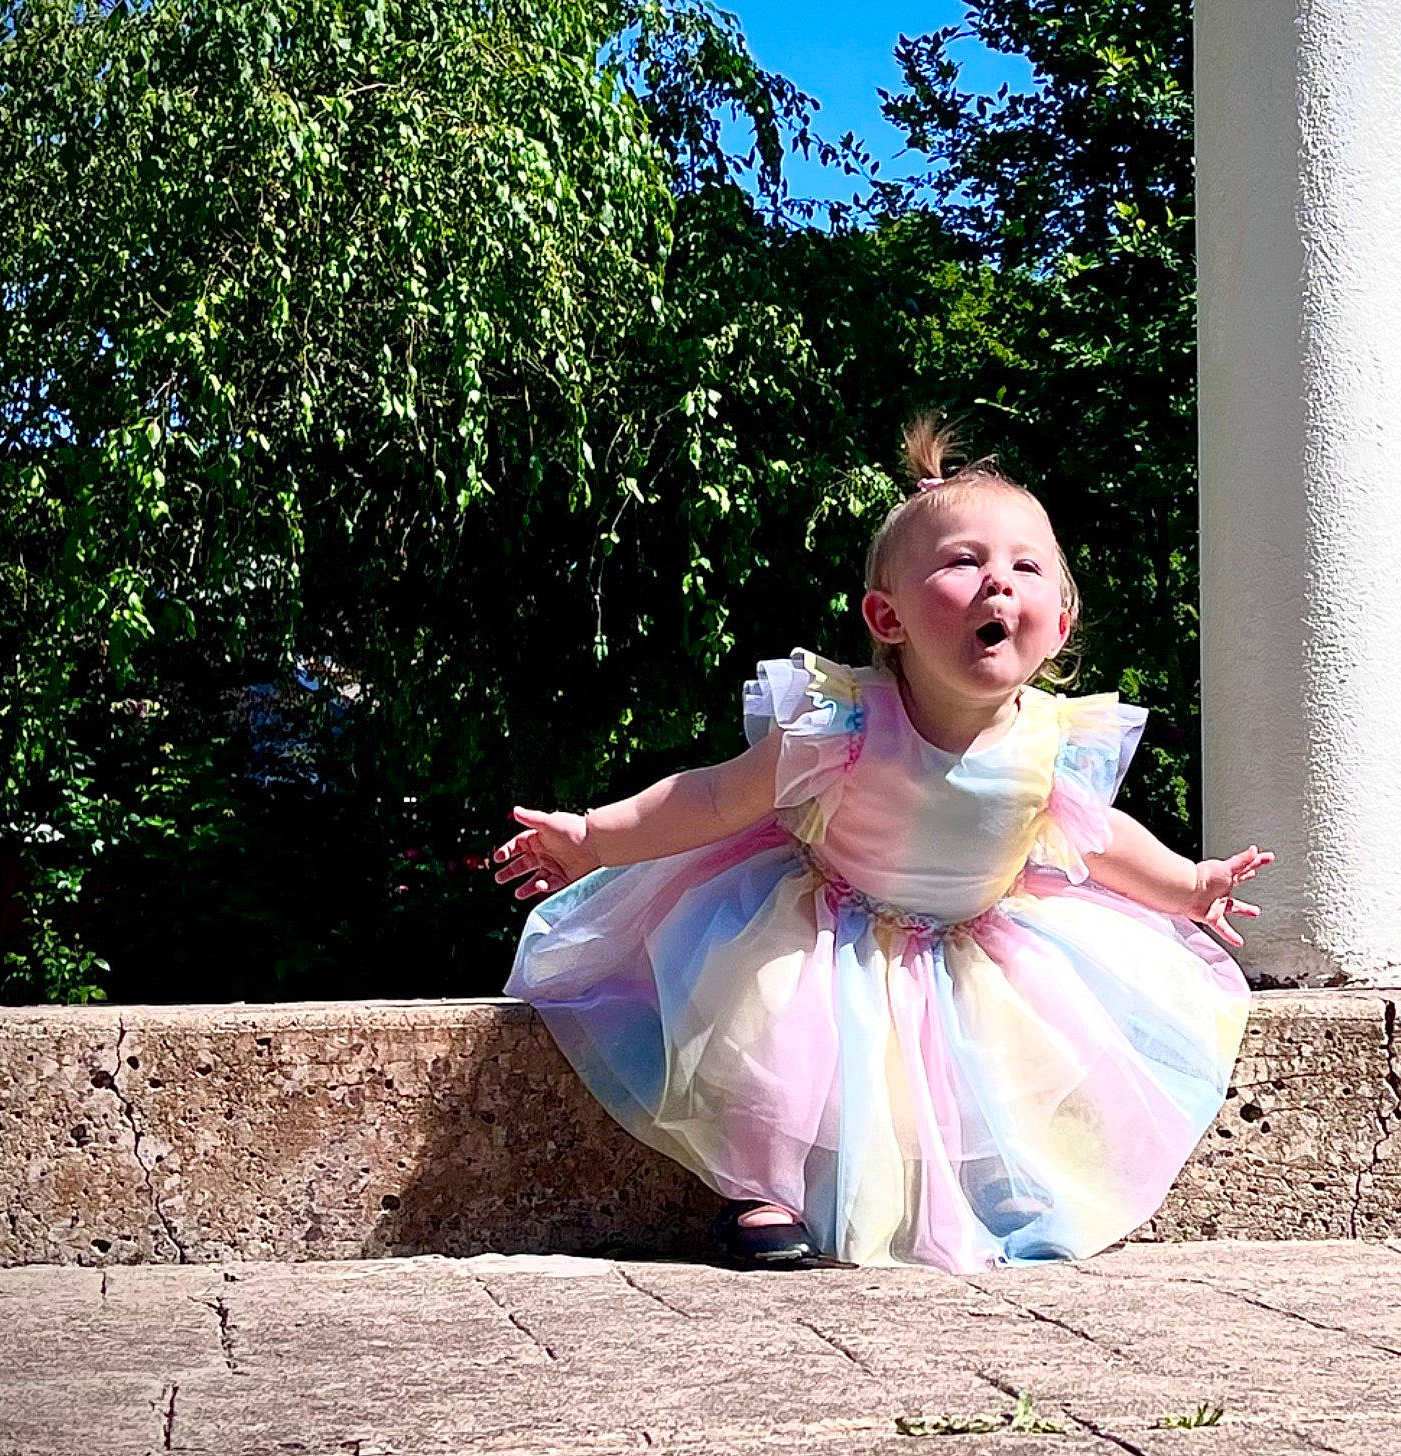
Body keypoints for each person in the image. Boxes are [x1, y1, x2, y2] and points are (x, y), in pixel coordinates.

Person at [493, 417, 1268, 1271]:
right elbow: (714, 795)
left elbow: (1104, 841)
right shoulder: (845, 726)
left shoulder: (1054, 745)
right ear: (886, 616)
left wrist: (1188, 885)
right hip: (825, 924)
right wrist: (597, 838)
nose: (996, 585)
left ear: (1060, 620)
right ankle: (763, 1190)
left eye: (1025, 567)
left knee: (994, 1067)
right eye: (963, 562)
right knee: (774, 1036)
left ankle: (994, 1181)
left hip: (973, 942)